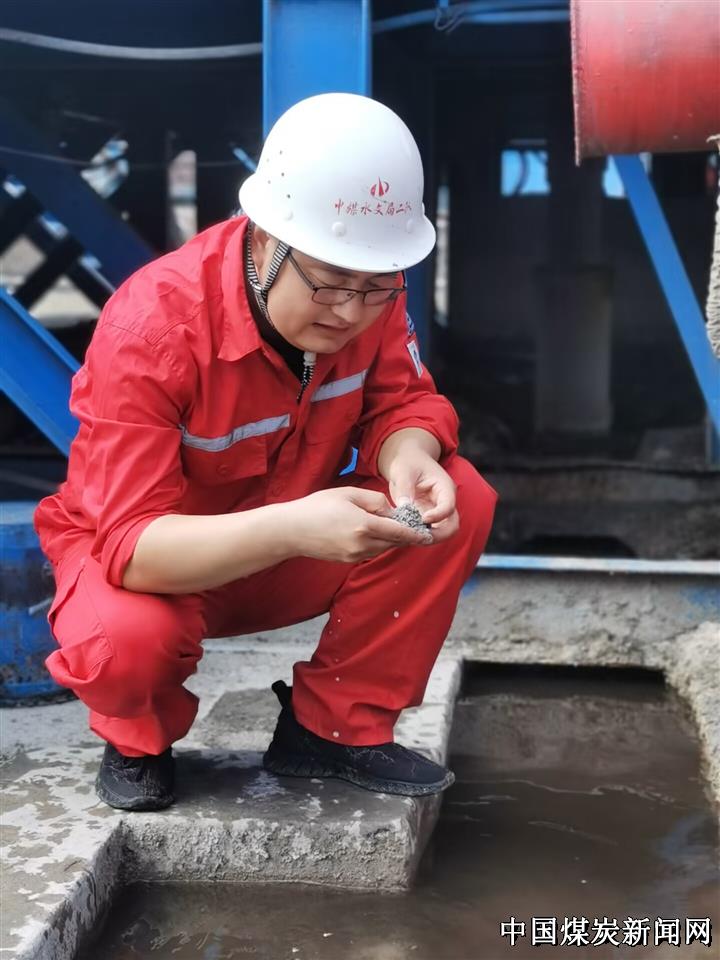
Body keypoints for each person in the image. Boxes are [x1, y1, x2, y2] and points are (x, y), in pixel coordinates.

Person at [34, 93, 498, 811]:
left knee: (459, 495)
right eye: (328, 283)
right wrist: (294, 528)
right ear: (264, 238)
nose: (350, 311)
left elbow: (404, 401)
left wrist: (410, 453)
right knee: (125, 639)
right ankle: (137, 738)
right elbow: (129, 547)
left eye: (376, 289)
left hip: (288, 541)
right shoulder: (153, 327)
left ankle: (333, 729)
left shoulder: (368, 289)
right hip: (159, 568)